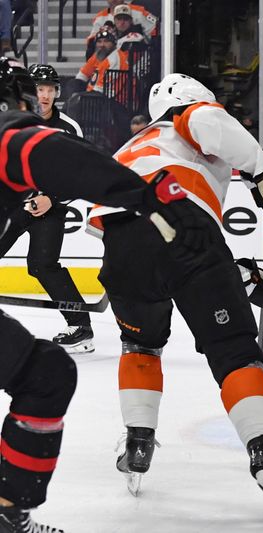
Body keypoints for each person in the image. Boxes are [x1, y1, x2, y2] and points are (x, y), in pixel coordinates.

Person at [86, 73, 263, 519]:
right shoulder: (187, 117)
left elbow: (155, 243)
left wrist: (243, 280)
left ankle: (137, 439)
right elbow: (186, 240)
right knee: (234, 352)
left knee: (140, 344)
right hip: (182, 230)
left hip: (121, 251)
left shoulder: (130, 149)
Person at [0, 56, 204, 533]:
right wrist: (148, 196)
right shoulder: (11, 134)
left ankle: (7, 513)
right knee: (45, 374)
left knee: (45, 369)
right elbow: (56, 156)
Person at [0, 64, 92, 354]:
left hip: (49, 209)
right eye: (40, 89)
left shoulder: (68, 128)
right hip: (14, 205)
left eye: (51, 89)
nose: (45, 95)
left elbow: (80, 174)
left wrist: (51, 198)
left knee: (43, 266)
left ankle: (79, 326)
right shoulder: (11, 121)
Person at [86, 0, 157, 58]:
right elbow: (92, 43)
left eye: (125, 19)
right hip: (110, 61)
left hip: (138, 58)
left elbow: (155, 33)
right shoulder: (99, 18)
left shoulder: (139, 12)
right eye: (119, 19)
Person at [74, 30, 129, 98]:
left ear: (114, 43)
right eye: (99, 41)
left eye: (106, 41)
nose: (102, 45)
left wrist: (79, 97)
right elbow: (82, 75)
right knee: (73, 84)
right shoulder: (98, 55)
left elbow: (102, 90)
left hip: (112, 100)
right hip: (95, 96)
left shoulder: (115, 59)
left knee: (75, 102)